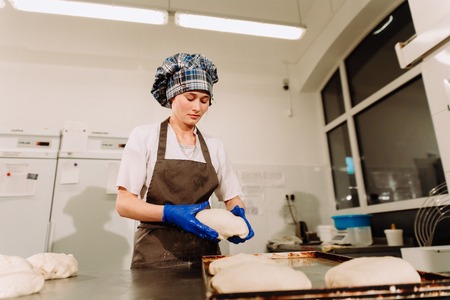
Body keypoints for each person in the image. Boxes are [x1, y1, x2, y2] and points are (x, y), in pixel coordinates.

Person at [115, 53, 254, 269]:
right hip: (156, 255)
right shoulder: (145, 136)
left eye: (205, 100)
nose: (197, 107)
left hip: (205, 253)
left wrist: (238, 215)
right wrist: (169, 213)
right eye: (190, 98)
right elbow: (124, 204)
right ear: (172, 97)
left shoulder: (215, 146)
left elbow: (232, 197)